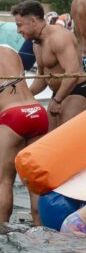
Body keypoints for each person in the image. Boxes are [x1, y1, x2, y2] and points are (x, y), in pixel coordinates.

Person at [12, 0, 86, 129]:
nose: (18, 30)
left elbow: (72, 73)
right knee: (48, 138)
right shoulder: (36, 44)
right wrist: (23, 96)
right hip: (57, 95)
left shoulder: (59, 37)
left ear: (33, 21)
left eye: (20, 25)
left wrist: (57, 100)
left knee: (64, 136)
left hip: (76, 91)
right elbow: (42, 79)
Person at [0, 45, 48, 225]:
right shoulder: (10, 51)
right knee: (34, 180)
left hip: (13, 117)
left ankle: (2, 229)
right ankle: (39, 225)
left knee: (4, 181)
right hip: (37, 112)